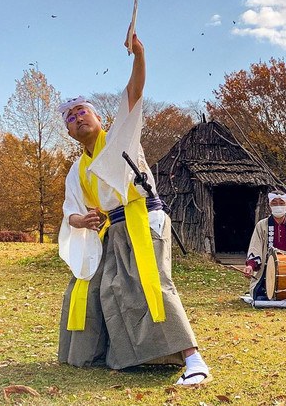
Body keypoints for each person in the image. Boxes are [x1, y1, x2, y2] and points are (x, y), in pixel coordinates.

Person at [57, 31, 210, 386]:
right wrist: (85, 218)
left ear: (97, 118)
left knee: (150, 285)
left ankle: (194, 360)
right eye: (70, 117)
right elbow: (71, 212)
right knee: (101, 288)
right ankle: (111, 354)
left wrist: (139, 54)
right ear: (68, 132)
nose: (78, 118)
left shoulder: (119, 136)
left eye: (83, 111)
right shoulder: (76, 169)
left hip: (144, 219)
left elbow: (134, 93)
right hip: (112, 230)